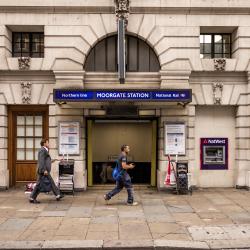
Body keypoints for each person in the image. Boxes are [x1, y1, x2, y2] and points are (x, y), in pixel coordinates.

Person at [29, 138, 64, 203]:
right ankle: (32, 197)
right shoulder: (42, 150)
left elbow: (46, 160)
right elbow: (41, 161)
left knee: (51, 182)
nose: (49, 144)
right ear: (44, 143)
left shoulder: (45, 150)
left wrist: (55, 160)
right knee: (39, 184)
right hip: (43, 171)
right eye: (48, 142)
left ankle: (58, 195)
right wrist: (44, 170)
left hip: (44, 171)